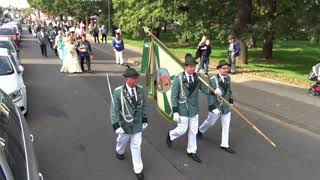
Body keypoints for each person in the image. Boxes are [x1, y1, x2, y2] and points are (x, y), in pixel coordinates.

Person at [166, 53, 208, 163]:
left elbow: (204, 90)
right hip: (182, 109)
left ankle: (191, 151)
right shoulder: (178, 78)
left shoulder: (197, 78)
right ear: (185, 67)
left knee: (193, 131)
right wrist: (175, 111)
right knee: (182, 130)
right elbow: (174, 95)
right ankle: (170, 135)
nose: (192, 68)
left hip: (193, 109)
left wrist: (214, 92)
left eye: (194, 66)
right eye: (190, 66)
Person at [110, 66, 148, 180]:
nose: (136, 80)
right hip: (125, 124)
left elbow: (144, 105)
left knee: (136, 145)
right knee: (122, 140)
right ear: (127, 79)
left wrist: (145, 119)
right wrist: (116, 124)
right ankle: (119, 150)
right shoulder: (118, 92)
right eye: (134, 78)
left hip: (137, 124)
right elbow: (114, 110)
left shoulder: (141, 90)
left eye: (137, 78)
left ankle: (138, 169)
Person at [197, 60, 235, 154]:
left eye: (227, 68)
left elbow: (229, 90)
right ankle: (200, 130)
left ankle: (225, 144)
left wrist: (231, 101)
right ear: (219, 69)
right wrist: (212, 107)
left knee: (226, 125)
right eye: (224, 68)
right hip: (216, 106)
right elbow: (209, 94)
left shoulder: (228, 78)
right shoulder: (213, 80)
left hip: (226, 106)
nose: (226, 70)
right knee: (210, 122)